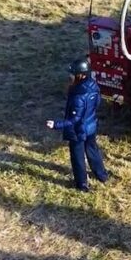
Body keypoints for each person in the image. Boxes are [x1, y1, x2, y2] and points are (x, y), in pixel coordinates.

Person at [45, 59, 110, 192]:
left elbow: (74, 119)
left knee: (77, 157)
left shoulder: (77, 96)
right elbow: (97, 102)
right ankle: (102, 175)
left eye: (73, 73)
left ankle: (82, 184)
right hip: (91, 126)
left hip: (78, 131)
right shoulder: (93, 85)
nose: (70, 76)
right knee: (93, 150)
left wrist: (56, 124)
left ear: (80, 75)